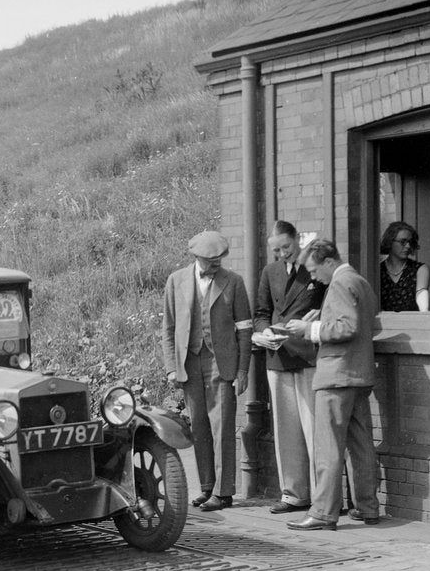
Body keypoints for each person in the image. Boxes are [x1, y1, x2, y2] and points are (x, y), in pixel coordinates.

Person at [284, 239, 379, 530]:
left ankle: (323, 512)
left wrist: (309, 328)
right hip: (359, 375)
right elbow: (369, 325)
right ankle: (367, 507)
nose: (314, 278)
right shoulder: (359, 281)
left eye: (314, 271)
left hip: (336, 377)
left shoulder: (339, 283)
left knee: (328, 447)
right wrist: (323, 317)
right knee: (361, 446)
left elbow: (347, 327)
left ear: (328, 261)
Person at [162, 231, 253, 511]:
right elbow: (168, 328)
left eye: (219, 260)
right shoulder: (175, 281)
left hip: (221, 363)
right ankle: (206, 486)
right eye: (211, 261)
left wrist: (242, 370)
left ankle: (223, 493)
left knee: (222, 426)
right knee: (199, 426)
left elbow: (245, 329)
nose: (216, 265)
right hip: (189, 363)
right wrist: (171, 368)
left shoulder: (234, 282)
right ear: (196, 257)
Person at [252, 221, 326, 514]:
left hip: (308, 357)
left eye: (287, 247)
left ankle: (322, 497)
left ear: (297, 239)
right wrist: (263, 332)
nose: (283, 253)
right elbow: (261, 313)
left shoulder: (314, 269)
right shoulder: (270, 272)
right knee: (286, 430)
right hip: (278, 358)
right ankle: (294, 494)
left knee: (314, 428)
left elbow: (329, 307)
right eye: (277, 250)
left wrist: (316, 320)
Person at [379, 221, 430, 311]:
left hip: (413, 320)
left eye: (410, 242)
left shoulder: (420, 269)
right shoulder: (377, 271)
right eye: (403, 242)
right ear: (390, 242)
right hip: (383, 320)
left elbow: (422, 295)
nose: (408, 246)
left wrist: (425, 315)